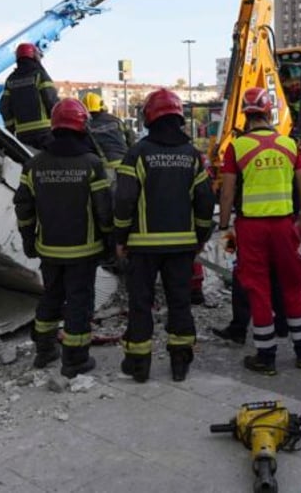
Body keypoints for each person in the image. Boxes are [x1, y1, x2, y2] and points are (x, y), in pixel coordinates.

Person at [115, 88, 215, 383]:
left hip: (142, 247)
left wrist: (120, 237)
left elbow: (123, 201)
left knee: (140, 303)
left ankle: (138, 364)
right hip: (182, 246)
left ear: (149, 118)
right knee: (180, 302)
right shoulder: (192, 156)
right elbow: (205, 200)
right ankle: (180, 362)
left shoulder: (137, 154)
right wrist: (200, 235)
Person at [218, 87, 301, 376]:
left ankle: (266, 357)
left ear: (245, 116)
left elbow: (227, 192)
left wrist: (224, 227)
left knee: (258, 290)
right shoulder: (289, 144)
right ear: (269, 112)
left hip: (251, 229)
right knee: (292, 286)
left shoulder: (238, 147)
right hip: (285, 226)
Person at [14, 98, 113, 377]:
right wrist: (109, 242)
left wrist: (28, 240)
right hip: (84, 250)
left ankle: (44, 352)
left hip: (49, 250)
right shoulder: (91, 164)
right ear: (83, 127)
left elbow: (24, 207)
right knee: (79, 303)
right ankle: (75, 360)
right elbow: (104, 210)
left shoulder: (33, 165)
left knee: (51, 297)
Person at [0, 43, 59, 151]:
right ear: (34, 56)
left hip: (23, 135)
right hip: (44, 133)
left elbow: (4, 107)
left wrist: (10, 128)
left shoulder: (11, 79)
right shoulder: (40, 74)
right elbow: (51, 100)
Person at [82, 92, 134, 176]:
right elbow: (131, 135)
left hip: (104, 166)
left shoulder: (86, 126)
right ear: (101, 105)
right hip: (124, 162)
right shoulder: (115, 120)